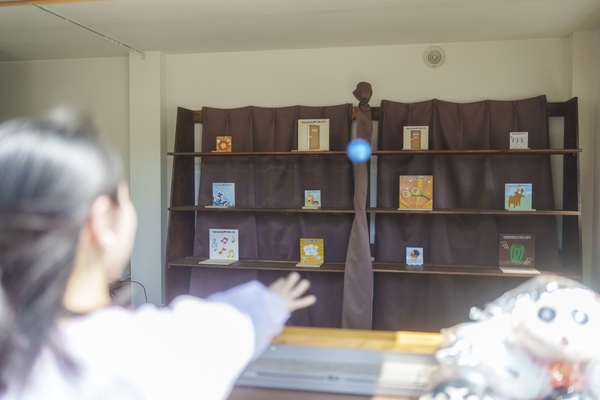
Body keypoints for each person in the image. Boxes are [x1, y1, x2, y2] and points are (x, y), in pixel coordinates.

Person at [0, 109, 317, 399]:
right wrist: (273, 300)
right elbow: (236, 325)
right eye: (126, 197)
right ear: (100, 221)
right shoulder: (146, 350)